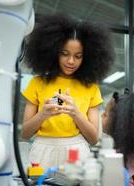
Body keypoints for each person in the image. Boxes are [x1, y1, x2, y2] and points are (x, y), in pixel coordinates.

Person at [22, 13, 114, 170]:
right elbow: (25, 134)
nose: (71, 61)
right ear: (53, 52)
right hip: (42, 152)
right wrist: (42, 114)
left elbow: (93, 139)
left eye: (78, 56)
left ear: (87, 58)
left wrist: (76, 114)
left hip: (77, 153)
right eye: (64, 54)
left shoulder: (91, 88)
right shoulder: (37, 83)